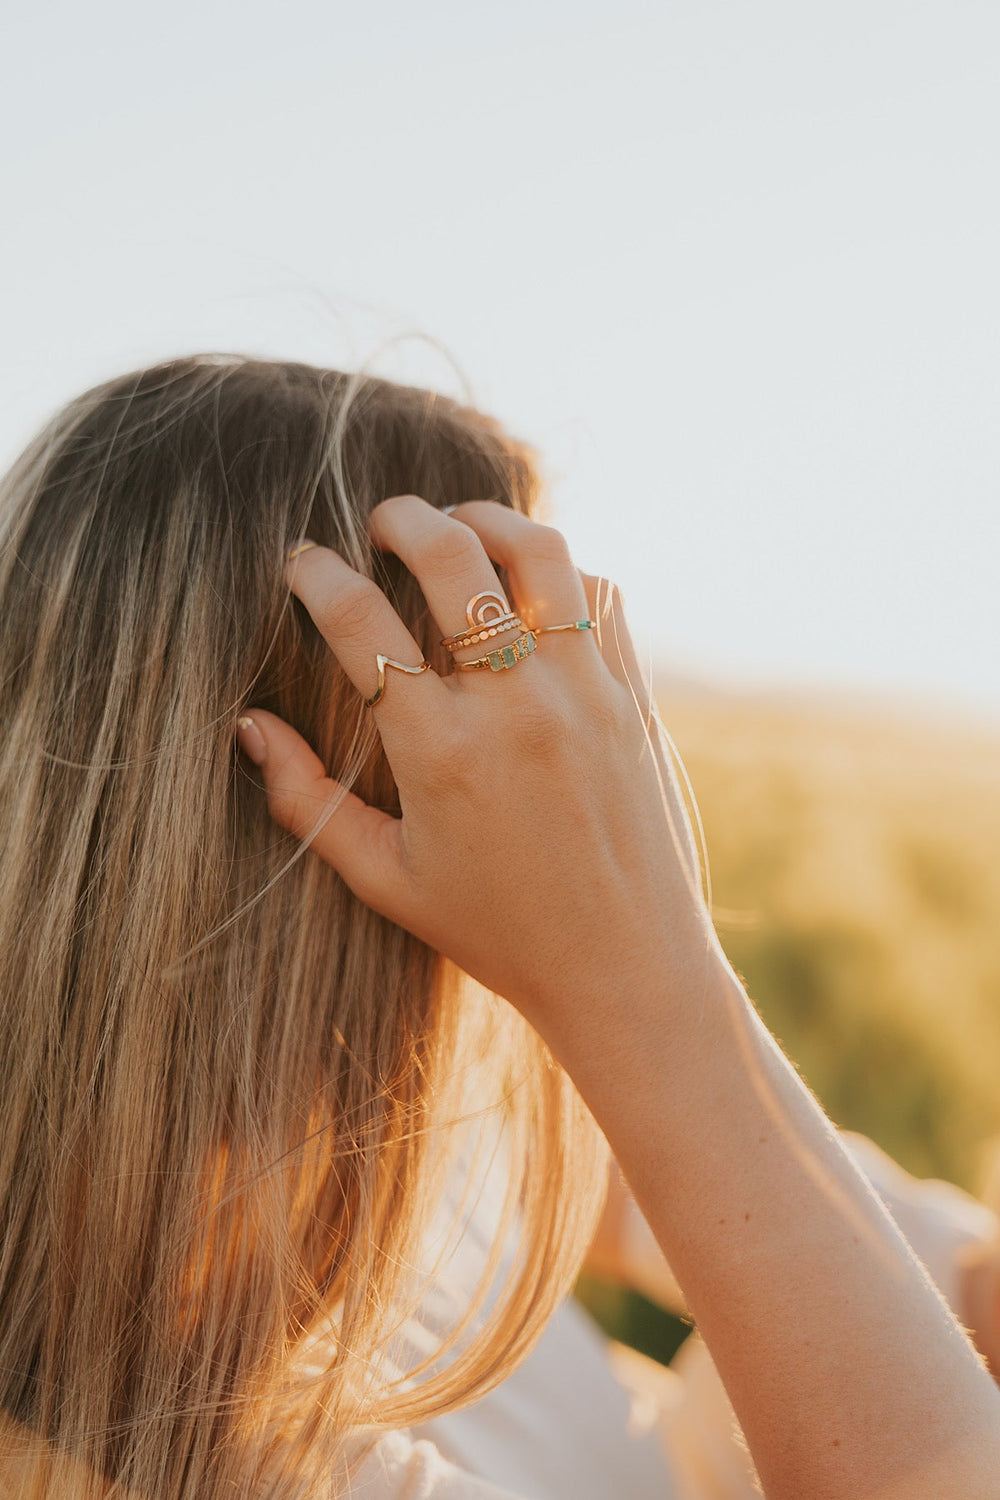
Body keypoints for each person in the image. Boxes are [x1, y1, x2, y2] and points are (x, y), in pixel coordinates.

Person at [1, 355, 999, 1500]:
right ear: (394, 794)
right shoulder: (177, 1459)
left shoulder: (389, 1144)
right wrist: (650, 971)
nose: (595, 744)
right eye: (517, 682)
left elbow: (949, 1290)